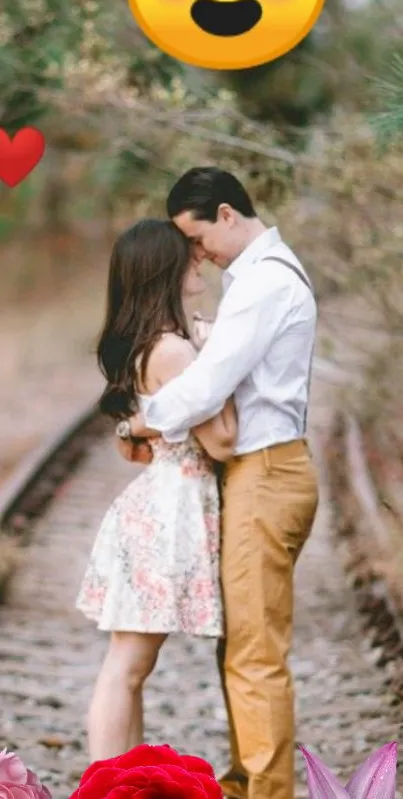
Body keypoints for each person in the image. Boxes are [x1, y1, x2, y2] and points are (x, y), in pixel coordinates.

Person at [118, 168, 319, 799]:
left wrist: (141, 421)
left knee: (255, 653)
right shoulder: (257, 278)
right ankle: (245, 779)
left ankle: (267, 792)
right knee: (241, 644)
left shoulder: (263, 283)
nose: (196, 253)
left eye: (197, 237)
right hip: (258, 474)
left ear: (227, 215)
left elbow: (208, 388)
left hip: (266, 473)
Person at [76, 217, 237, 761]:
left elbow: (149, 429)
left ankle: (122, 783)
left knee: (131, 668)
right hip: (170, 510)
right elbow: (223, 441)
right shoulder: (175, 350)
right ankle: (101, 787)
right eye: (187, 254)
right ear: (163, 269)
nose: (199, 261)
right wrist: (218, 361)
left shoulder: (161, 343)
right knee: (126, 667)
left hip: (160, 504)